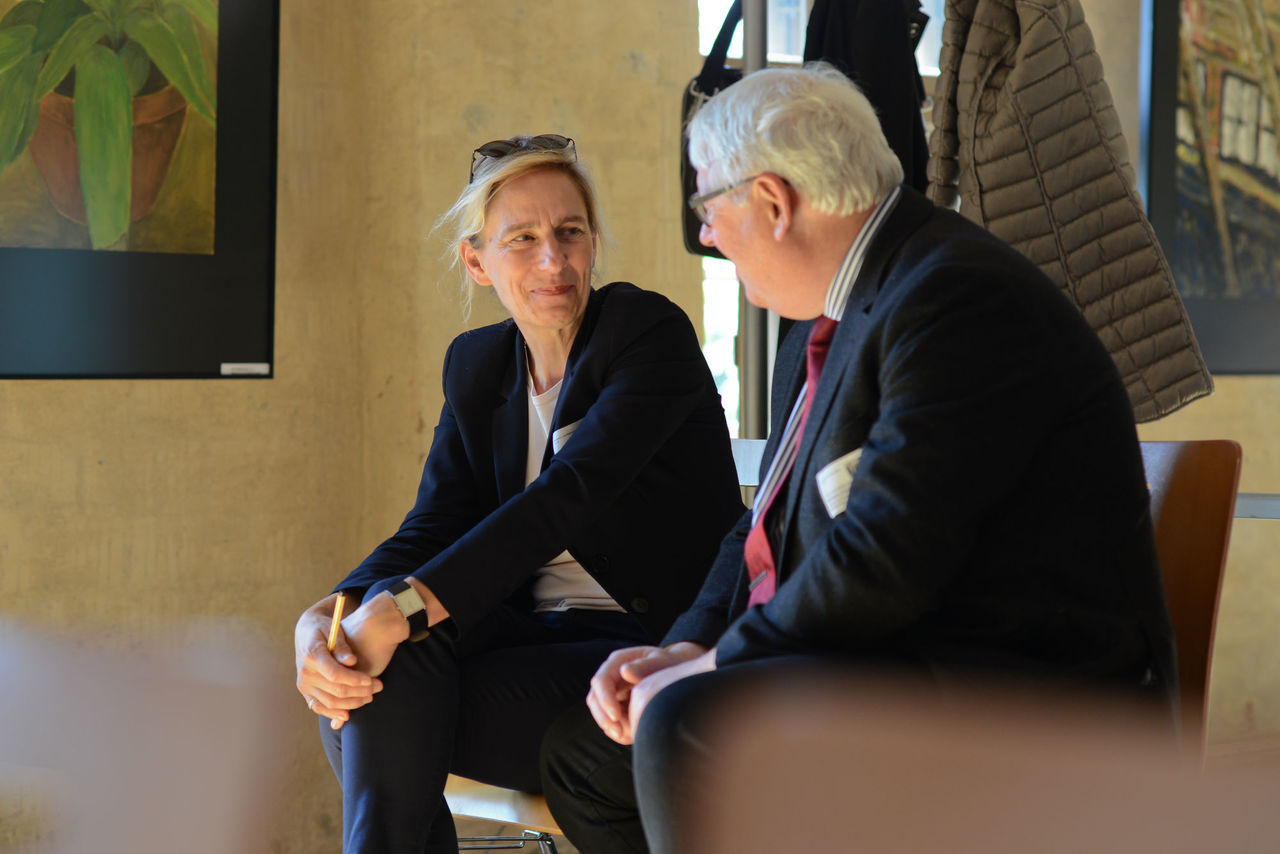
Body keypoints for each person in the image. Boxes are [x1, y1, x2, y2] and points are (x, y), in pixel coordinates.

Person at [538, 64, 1179, 854]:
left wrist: (711, 672)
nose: (705, 232)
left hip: (1017, 692)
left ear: (773, 203)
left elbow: (884, 555)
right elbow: (762, 527)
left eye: (708, 204)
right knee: (584, 758)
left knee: (690, 722)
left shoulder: (956, 301)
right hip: (892, 661)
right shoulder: (847, 306)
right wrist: (689, 644)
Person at [292, 133, 745, 854]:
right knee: (367, 672)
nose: (552, 261)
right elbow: (434, 522)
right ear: (477, 261)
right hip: (532, 641)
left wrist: (399, 610)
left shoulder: (646, 334)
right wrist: (326, 615)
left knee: (372, 699)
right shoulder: (476, 366)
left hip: (643, 650)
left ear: (594, 242)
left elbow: (566, 496)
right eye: (522, 239)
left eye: (570, 233)